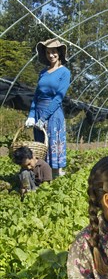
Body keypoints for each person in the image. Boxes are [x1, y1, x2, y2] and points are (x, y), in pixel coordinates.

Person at [25, 38, 71, 178]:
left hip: (53, 114)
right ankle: (42, 177)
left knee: (53, 146)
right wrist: (32, 115)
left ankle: (57, 177)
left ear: (59, 53)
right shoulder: (43, 73)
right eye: (48, 52)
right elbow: (36, 96)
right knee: (41, 147)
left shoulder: (64, 72)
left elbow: (58, 98)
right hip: (39, 112)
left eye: (54, 52)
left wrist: (44, 117)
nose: (51, 55)